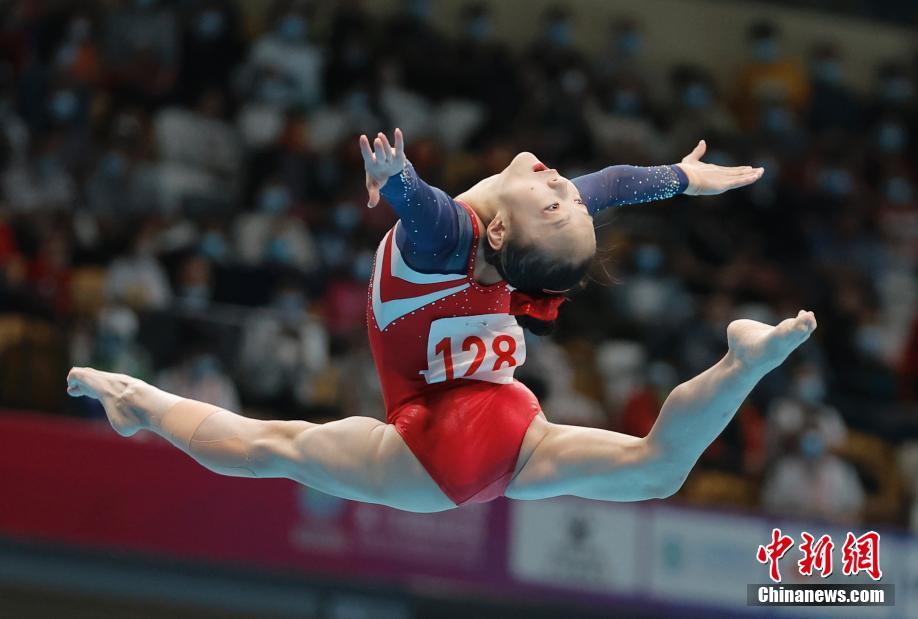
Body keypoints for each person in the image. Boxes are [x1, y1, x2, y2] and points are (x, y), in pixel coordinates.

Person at [66, 128, 816, 513]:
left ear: (497, 236)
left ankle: (142, 404)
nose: (565, 185)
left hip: (446, 437)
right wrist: (683, 177)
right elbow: (615, 184)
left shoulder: (454, 235)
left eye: (560, 201)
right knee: (656, 469)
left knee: (274, 444)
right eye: (570, 200)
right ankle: (742, 364)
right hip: (479, 419)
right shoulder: (523, 226)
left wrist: (399, 178)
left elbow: (423, 216)